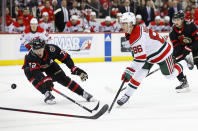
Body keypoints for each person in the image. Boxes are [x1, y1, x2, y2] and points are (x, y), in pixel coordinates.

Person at [116, 12, 184, 106]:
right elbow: (140, 54)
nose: (122, 26)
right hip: (150, 55)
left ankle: (183, 63)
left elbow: (140, 59)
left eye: (124, 23)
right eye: (122, 23)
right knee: (140, 73)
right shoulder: (135, 29)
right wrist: (132, 69)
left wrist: (129, 71)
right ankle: (127, 95)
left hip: (163, 54)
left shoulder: (136, 37)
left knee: (170, 76)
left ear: (131, 24)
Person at [22, 38, 95, 104]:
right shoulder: (31, 56)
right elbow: (36, 72)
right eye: (36, 50)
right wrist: (44, 80)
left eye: (40, 50)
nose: (38, 53)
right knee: (35, 77)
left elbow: (66, 58)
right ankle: (47, 93)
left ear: (44, 47)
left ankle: (83, 93)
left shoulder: (52, 49)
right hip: (31, 69)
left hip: (48, 64)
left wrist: (73, 68)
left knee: (63, 79)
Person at [169, 10, 198, 92]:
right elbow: (176, 46)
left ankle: (191, 59)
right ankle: (183, 82)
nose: (176, 22)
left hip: (195, 46)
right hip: (183, 48)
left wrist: (189, 49)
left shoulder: (190, 25)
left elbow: (197, 40)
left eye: (178, 20)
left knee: (197, 60)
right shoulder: (172, 32)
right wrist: (176, 57)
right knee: (174, 62)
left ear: (182, 19)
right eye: (174, 20)